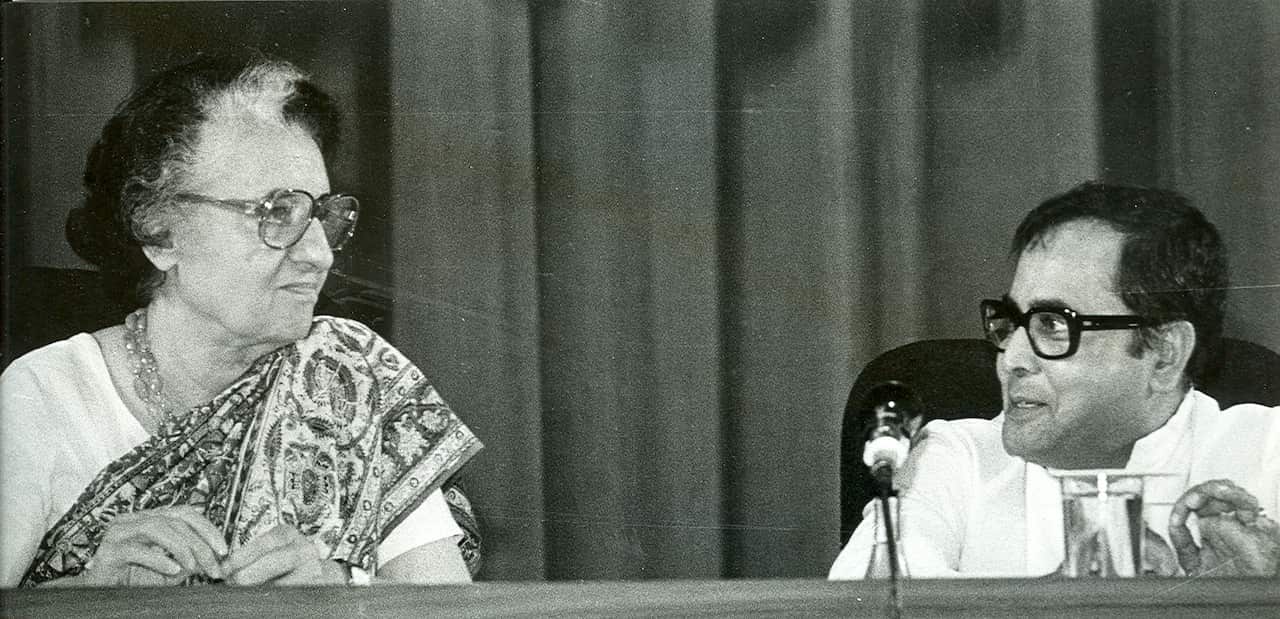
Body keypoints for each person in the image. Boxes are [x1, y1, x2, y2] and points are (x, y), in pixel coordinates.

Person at [0, 54, 483, 587]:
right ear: (159, 232)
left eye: (323, 214)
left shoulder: (346, 377)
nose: (319, 256)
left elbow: (447, 607)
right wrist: (87, 595)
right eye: (276, 212)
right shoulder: (44, 396)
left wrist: (337, 589)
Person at [830, 182, 1279, 579]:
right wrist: (1069, 600)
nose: (1011, 359)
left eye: (1054, 325)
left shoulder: (1267, 452)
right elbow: (865, 598)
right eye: (1011, 322)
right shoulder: (956, 458)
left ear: (1164, 353)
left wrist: (1255, 600)